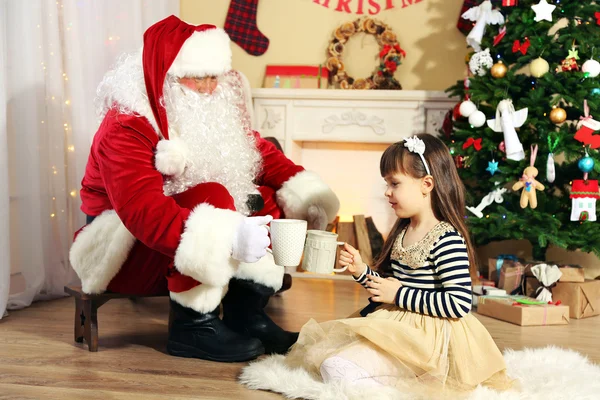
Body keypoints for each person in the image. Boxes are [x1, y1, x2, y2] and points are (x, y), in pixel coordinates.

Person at [68, 15, 339, 363]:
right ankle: (192, 326)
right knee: (213, 196)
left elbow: (257, 152)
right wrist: (230, 237)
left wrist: (309, 193)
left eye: (215, 76)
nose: (211, 87)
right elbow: (143, 214)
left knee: (264, 197)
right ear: (166, 75)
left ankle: (247, 314)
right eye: (200, 77)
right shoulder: (127, 125)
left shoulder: (207, 108)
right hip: (118, 250)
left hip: (168, 245)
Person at [253, 134, 512, 397]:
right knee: (325, 360)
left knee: (336, 368)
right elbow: (385, 287)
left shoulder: (446, 238)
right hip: (395, 324)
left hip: (427, 338)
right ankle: (391, 377)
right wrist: (361, 271)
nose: (387, 192)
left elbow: (458, 304)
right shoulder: (403, 231)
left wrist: (398, 295)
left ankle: (407, 382)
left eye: (394, 183)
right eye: (386, 183)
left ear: (427, 184)